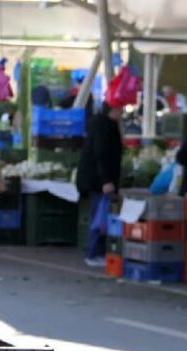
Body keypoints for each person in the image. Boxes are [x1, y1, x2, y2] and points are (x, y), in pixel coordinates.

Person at [76, 101, 123, 267]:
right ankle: (93, 253)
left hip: (96, 179)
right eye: (120, 109)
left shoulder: (100, 125)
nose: (122, 113)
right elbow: (102, 154)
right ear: (113, 110)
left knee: (99, 216)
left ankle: (96, 252)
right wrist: (106, 180)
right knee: (99, 217)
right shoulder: (104, 128)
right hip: (99, 180)